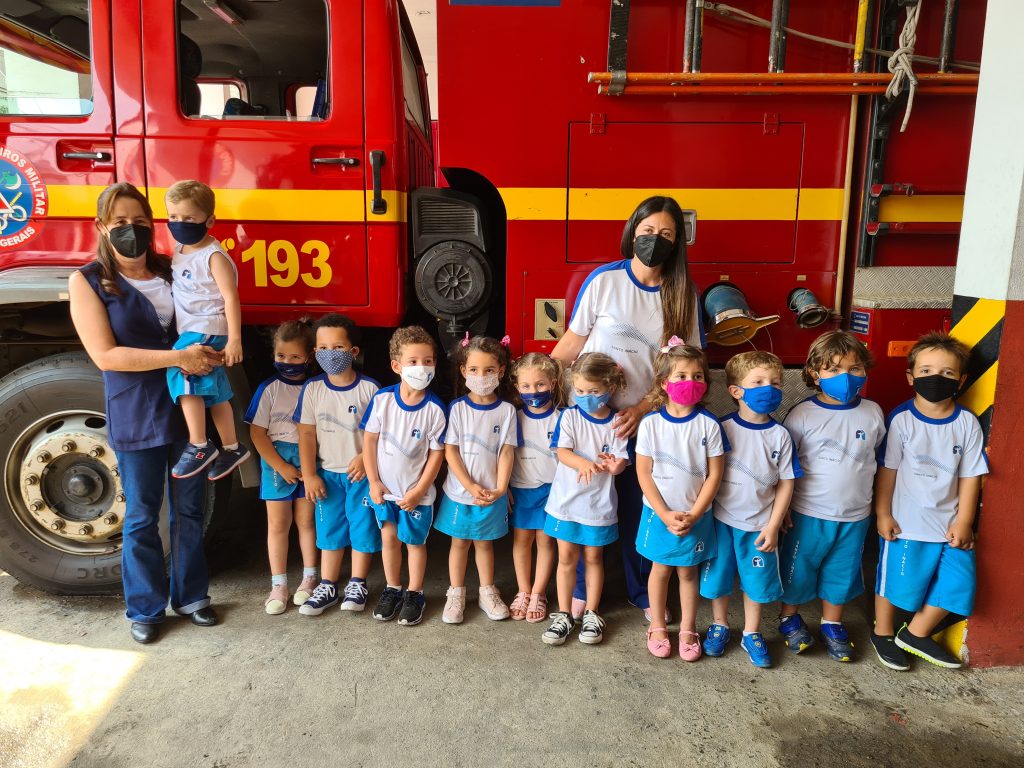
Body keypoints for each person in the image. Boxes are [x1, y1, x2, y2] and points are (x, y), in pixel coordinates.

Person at [68, 182, 221, 644]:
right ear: (101, 227)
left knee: (190, 509)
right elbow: (106, 356)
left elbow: (205, 316)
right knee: (141, 514)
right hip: (136, 408)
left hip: (185, 403)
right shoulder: (88, 281)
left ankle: (192, 596)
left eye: (139, 222)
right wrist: (178, 359)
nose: (130, 230)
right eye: (120, 223)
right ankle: (145, 608)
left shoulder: (173, 269)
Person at [551, 195, 703, 622]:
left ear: (678, 243)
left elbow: (683, 367)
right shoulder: (604, 280)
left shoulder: (682, 294)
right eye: (648, 231)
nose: (655, 240)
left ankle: (643, 592)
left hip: (647, 421)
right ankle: (580, 590)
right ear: (632, 231)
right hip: (591, 419)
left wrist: (642, 408)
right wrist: (540, 381)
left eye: (667, 234)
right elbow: (573, 342)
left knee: (642, 506)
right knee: (587, 502)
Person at [871, 332, 988, 670]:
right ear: (910, 377)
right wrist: (882, 514)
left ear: (961, 380)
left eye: (948, 373)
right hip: (906, 523)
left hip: (950, 525)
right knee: (896, 583)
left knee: (960, 583)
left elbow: (970, 476)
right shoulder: (901, 420)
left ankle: (916, 633)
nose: (936, 378)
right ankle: (883, 632)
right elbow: (888, 472)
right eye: (925, 371)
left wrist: (964, 521)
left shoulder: (966, 423)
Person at [778, 331, 885, 662]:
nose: (846, 377)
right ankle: (788, 618)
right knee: (799, 569)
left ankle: (832, 622)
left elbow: (878, 461)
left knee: (843, 571)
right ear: (814, 373)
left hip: (855, 515)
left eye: (854, 369)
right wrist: (782, 510)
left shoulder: (873, 412)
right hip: (809, 512)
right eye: (834, 369)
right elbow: (786, 467)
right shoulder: (802, 415)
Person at [700, 351, 800, 668]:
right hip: (720, 522)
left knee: (756, 583)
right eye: (757, 382)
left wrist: (773, 524)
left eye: (775, 382)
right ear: (735, 391)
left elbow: (786, 482)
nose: (768, 388)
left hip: (759, 527)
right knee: (718, 577)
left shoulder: (781, 436)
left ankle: (751, 632)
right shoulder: (720, 428)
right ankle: (720, 624)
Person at [635, 341, 725, 661]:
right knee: (659, 569)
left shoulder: (709, 425)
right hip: (658, 514)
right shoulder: (650, 425)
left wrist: (696, 514)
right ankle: (657, 625)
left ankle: (688, 627)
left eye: (698, 376)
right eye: (681, 375)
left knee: (688, 573)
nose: (690, 382)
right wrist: (664, 514)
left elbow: (715, 475)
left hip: (695, 516)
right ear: (664, 383)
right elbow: (644, 473)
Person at [164, 180, 251, 481]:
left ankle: (199, 444)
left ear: (209, 220)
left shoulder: (213, 256)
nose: (179, 224)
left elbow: (231, 297)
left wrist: (235, 339)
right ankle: (231, 446)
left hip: (206, 327)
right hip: (194, 327)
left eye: (188, 218)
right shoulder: (180, 249)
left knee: (180, 367)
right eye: (173, 217)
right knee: (213, 392)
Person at [542, 353, 629, 646]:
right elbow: (562, 451)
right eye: (580, 391)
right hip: (566, 503)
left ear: (610, 387)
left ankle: (592, 612)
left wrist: (614, 465)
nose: (585, 397)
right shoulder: (570, 416)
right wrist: (584, 464)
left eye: (593, 392)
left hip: (599, 506)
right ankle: (564, 613)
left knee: (594, 558)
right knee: (566, 558)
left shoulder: (617, 421)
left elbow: (621, 462)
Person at [362, 326, 447, 626]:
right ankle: (392, 588)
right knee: (388, 539)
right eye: (413, 361)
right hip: (385, 492)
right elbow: (369, 441)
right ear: (397, 366)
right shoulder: (383, 400)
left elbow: (437, 454)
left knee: (414, 543)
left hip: (416, 497)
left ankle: (415, 592)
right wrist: (373, 481)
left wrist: (420, 490)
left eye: (427, 361)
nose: (421, 368)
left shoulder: (436, 410)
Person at [295, 314, 380, 615]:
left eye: (338, 346)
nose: (330, 353)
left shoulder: (370, 389)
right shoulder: (312, 389)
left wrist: (363, 460)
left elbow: (379, 434)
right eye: (323, 348)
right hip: (326, 476)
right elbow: (305, 434)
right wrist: (309, 475)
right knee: (328, 529)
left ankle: (358, 583)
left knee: (362, 527)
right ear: (315, 352)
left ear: (353, 351)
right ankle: (328, 584)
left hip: (361, 476)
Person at [436, 335, 519, 624]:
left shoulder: (507, 411)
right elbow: (451, 451)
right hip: (460, 492)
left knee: (484, 544)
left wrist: (500, 487)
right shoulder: (457, 408)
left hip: (492, 494)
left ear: (501, 371)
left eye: (488, 370)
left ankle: (486, 591)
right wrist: (470, 485)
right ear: (463, 371)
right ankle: (456, 593)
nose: (481, 376)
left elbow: (507, 451)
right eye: (473, 370)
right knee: (459, 543)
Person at [245, 320, 317, 615]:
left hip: (309, 458)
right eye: (281, 357)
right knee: (277, 524)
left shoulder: (315, 388)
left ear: (309, 357)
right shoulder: (268, 390)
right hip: (277, 459)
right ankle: (279, 584)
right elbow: (257, 433)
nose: (287, 363)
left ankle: (310, 578)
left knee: (307, 521)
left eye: (295, 357)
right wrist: (281, 465)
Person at [508, 353, 563, 623]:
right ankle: (523, 590)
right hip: (521, 488)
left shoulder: (563, 419)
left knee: (545, 541)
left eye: (540, 385)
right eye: (526, 386)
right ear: (517, 387)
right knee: (522, 540)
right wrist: (505, 486)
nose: (534, 391)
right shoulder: (513, 417)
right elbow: (503, 455)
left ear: (552, 383)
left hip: (552, 492)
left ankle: (539, 593)